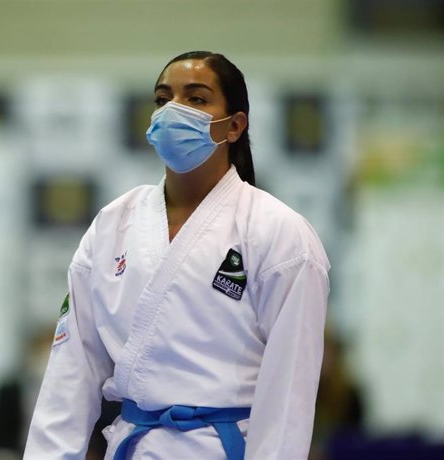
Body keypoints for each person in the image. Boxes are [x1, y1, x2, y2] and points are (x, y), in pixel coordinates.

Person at [23, 51, 330, 460]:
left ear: (235, 125)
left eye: (196, 99)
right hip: (133, 445)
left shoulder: (279, 234)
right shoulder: (113, 224)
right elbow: (71, 371)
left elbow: (288, 393)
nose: (173, 111)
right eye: (163, 98)